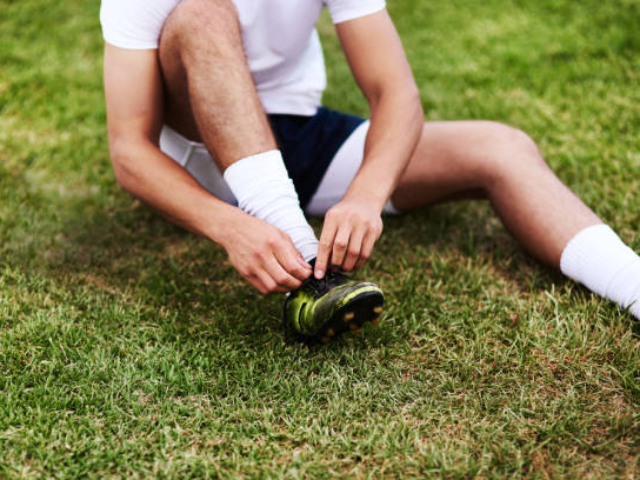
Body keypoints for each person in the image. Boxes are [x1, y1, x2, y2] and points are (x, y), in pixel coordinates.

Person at [100, 0, 640, 343]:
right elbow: (130, 149)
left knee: (502, 146)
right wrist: (228, 225)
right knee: (201, 11)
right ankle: (311, 275)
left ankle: (633, 285)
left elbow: (396, 94)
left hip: (301, 137)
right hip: (202, 162)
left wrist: (365, 194)